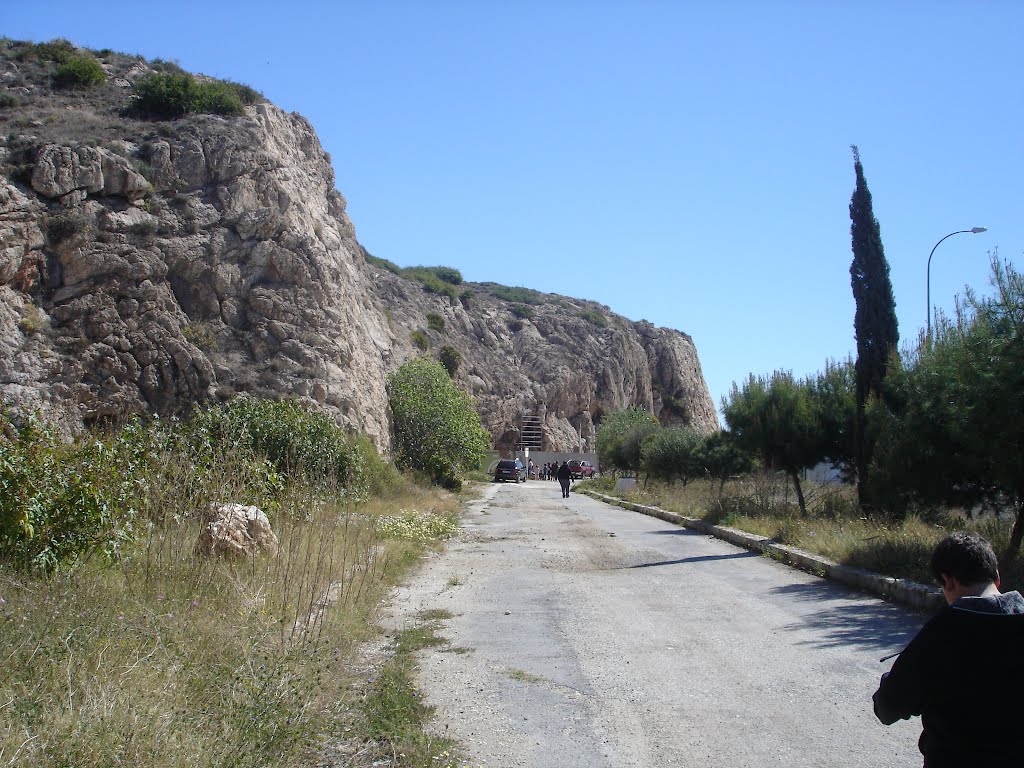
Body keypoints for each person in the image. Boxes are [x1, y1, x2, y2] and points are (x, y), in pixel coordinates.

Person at [872, 532, 1024, 768]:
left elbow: (889, 706)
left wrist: (890, 680)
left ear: (948, 580)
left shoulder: (945, 632)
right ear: (997, 578)